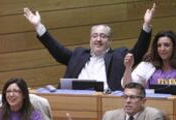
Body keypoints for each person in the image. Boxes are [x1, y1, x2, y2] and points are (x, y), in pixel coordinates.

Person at [23, 4, 156, 91]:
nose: (98, 39)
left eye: (103, 36)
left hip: (106, 102)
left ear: (110, 40)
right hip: (75, 100)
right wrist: (38, 27)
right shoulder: (79, 54)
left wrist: (146, 25)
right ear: (90, 39)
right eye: (95, 36)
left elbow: (138, 52)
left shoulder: (119, 55)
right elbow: (57, 51)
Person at [122, 30, 176, 101]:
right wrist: (128, 68)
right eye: (159, 45)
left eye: (166, 45)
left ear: (175, 47)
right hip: (152, 110)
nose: (162, 49)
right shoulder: (147, 65)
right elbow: (128, 86)